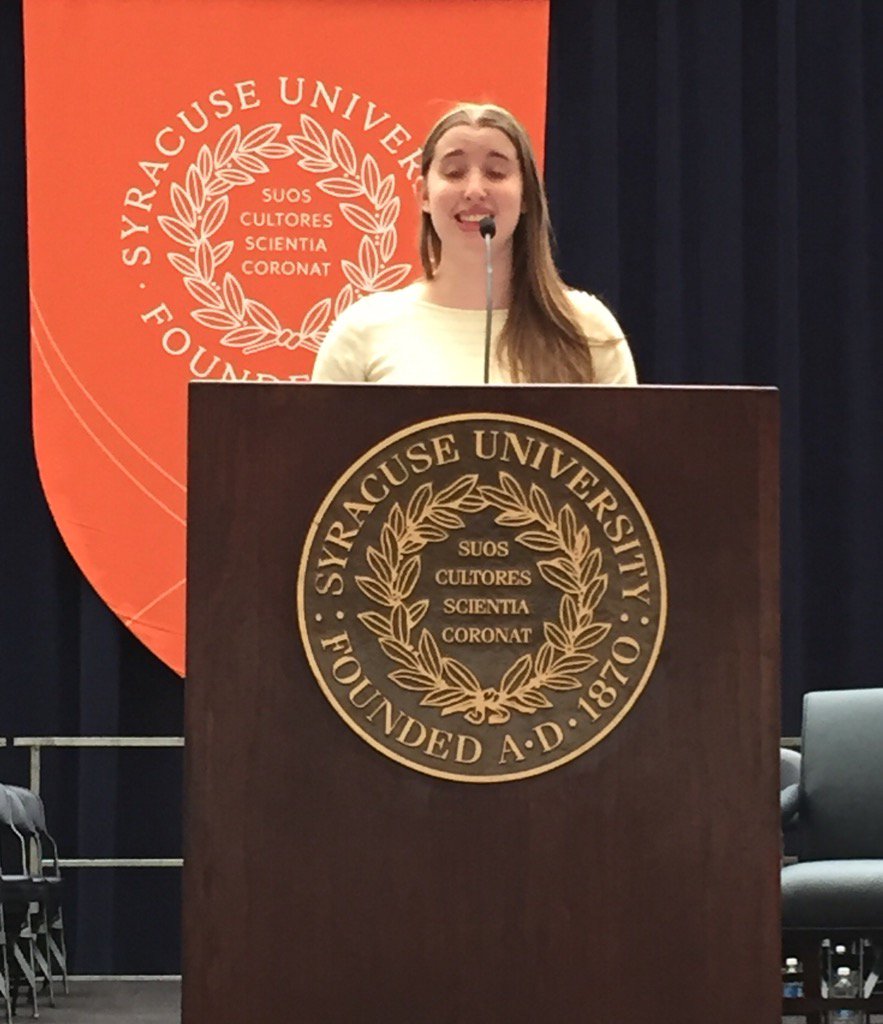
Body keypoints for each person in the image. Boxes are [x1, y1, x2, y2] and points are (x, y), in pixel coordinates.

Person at [311, 102, 636, 385]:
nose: (475, 190)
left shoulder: (587, 331)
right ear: (424, 195)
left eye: (496, 173)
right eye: (454, 172)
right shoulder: (363, 331)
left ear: (526, 196)